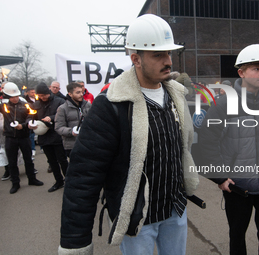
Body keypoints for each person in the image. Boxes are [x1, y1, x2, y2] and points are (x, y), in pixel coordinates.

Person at [59, 14, 199, 255]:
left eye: (169, 53)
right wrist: (76, 240)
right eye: (158, 55)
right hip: (137, 219)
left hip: (176, 210)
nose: (168, 61)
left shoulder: (176, 95)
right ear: (136, 58)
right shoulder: (112, 104)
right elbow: (84, 175)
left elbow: (182, 149)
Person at [199, 44, 259, 255]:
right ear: (241, 72)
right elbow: (207, 141)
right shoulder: (224, 104)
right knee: (237, 237)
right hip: (238, 186)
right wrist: (220, 177)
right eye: (256, 68)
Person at [0, 82, 44, 194]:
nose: (15, 98)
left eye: (16, 96)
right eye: (12, 97)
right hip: (10, 137)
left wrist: (24, 126)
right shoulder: (4, 106)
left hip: (23, 136)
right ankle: (15, 183)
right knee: (12, 162)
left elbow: (30, 116)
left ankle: (32, 179)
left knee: (28, 159)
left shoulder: (24, 104)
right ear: (7, 96)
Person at [31, 82, 68, 192]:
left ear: (48, 92)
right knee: (52, 161)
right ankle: (58, 181)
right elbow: (30, 115)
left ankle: (69, 180)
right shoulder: (37, 104)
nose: (42, 98)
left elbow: (64, 114)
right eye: (40, 96)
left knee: (62, 159)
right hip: (44, 136)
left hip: (57, 135)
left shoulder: (59, 101)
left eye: (43, 95)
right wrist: (30, 122)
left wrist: (51, 118)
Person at [55, 82, 91, 157]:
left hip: (88, 143)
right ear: (70, 94)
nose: (81, 94)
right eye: (78, 92)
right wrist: (71, 131)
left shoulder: (88, 105)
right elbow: (58, 127)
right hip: (72, 145)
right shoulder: (62, 108)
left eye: (82, 92)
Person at [24, 87, 37, 159]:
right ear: (28, 93)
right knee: (31, 136)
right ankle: (32, 149)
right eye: (32, 92)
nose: (33, 94)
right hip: (29, 119)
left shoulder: (37, 99)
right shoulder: (25, 101)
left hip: (37, 119)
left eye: (34, 92)